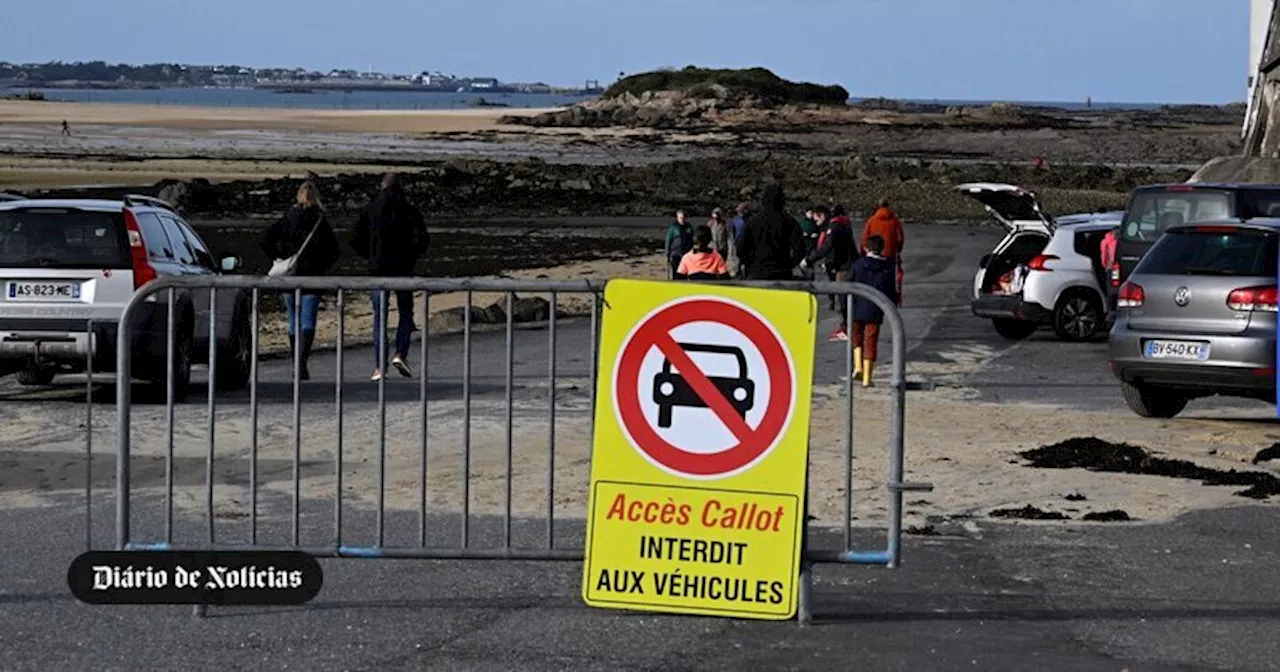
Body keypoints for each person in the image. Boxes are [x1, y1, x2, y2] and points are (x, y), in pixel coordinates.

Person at [351, 172, 430, 381]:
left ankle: (379, 366)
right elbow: (422, 239)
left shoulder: (370, 210)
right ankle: (400, 353)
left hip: (377, 269)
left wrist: (369, 255)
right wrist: (411, 257)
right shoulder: (409, 211)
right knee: (406, 312)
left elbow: (354, 239)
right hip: (403, 269)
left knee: (380, 318)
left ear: (381, 186)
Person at [260, 180, 339, 381]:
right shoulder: (320, 220)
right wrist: (321, 264)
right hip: (313, 276)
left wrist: (278, 255)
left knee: (293, 319)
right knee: (308, 320)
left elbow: (265, 239)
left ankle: (297, 361)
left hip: (290, 275)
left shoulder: (289, 217)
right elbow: (334, 250)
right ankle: (301, 363)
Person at [849, 235, 900, 387]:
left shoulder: (858, 265)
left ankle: (857, 365)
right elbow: (891, 290)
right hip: (876, 306)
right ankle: (867, 377)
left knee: (857, 335)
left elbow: (849, 284)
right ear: (882, 248)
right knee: (871, 339)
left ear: (866, 248)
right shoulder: (888, 267)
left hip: (858, 304)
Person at [799, 206, 856, 341]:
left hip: (844, 267)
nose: (815, 222)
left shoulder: (834, 227)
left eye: (816, 218)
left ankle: (847, 329)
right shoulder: (841, 224)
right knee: (843, 299)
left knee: (842, 299)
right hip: (843, 265)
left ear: (822, 215)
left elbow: (827, 247)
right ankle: (847, 327)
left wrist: (809, 259)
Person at [737, 182, 806, 281]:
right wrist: (789, 264)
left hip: (757, 273)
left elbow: (741, 247)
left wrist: (749, 263)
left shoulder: (752, 222)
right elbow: (800, 249)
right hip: (782, 274)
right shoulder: (789, 222)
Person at [860, 197, 906, 305]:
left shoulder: (872, 220)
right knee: (890, 277)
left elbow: (864, 237)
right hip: (889, 253)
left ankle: (875, 298)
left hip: (874, 252)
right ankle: (890, 299)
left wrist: (864, 252)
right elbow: (900, 238)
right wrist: (898, 249)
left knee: (874, 276)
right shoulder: (894, 220)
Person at [707, 207, 738, 276]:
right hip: (713, 249)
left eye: (718, 214)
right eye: (715, 214)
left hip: (723, 249)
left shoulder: (725, 224)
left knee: (721, 266)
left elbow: (729, 237)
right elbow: (707, 236)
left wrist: (730, 250)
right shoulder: (710, 224)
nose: (716, 216)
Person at [664, 210, 694, 280]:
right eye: (680, 218)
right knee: (676, 272)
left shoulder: (689, 227)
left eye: (683, 218)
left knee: (686, 273)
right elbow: (668, 240)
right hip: (675, 254)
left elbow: (692, 240)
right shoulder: (673, 228)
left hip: (686, 254)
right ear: (677, 218)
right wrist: (667, 252)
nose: (682, 219)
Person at [1099, 225, 1119, 311]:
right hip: (1116, 267)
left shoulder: (1105, 241)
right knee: (1116, 288)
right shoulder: (1118, 241)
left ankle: (1110, 308)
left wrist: (1105, 266)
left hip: (1110, 267)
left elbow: (1103, 256)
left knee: (1111, 289)